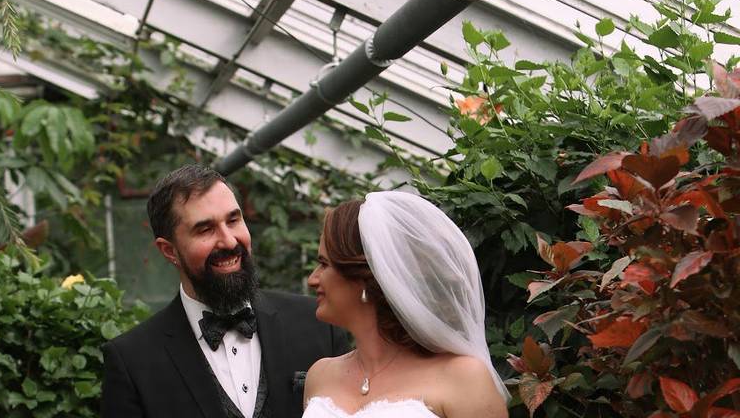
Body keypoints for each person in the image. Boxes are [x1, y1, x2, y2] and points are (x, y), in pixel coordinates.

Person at [102, 164, 348, 418]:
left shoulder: (318, 324)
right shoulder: (132, 361)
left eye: (233, 220)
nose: (229, 241)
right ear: (169, 250)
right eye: (205, 229)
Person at [302, 192, 509, 418]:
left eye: (324, 264)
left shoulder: (464, 378)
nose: (312, 279)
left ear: (365, 275)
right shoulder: (320, 375)